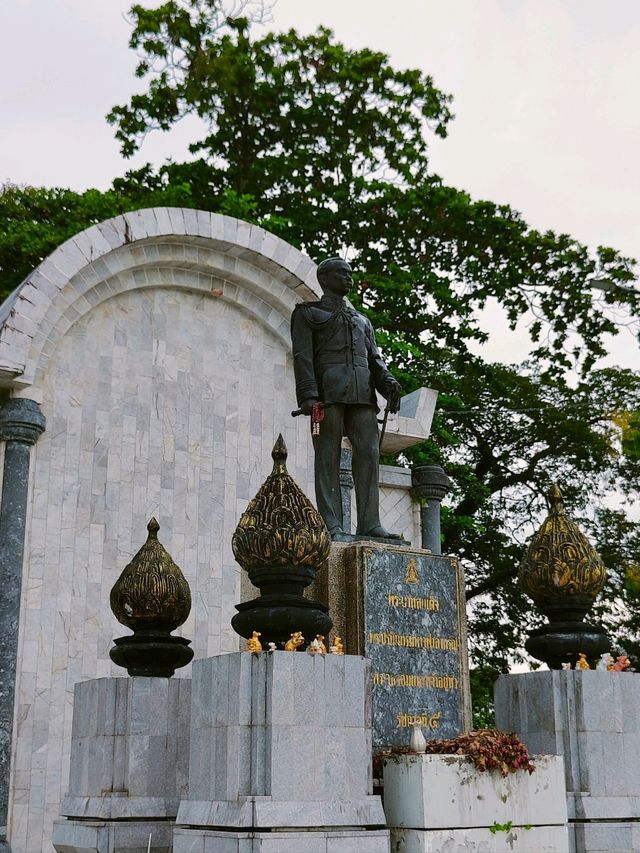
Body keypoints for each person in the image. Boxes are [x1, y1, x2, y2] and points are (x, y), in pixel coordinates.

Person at [290, 256, 402, 540]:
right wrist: (308, 396)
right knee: (327, 456)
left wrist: (387, 383)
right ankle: (333, 525)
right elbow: (302, 357)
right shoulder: (307, 313)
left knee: (369, 452)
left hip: (362, 395)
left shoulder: (362, 321)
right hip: (326, 396)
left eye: (351, 274)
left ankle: (369, 523)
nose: (349, 278)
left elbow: (374, 360)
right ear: (324, 279)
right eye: (342, 273)